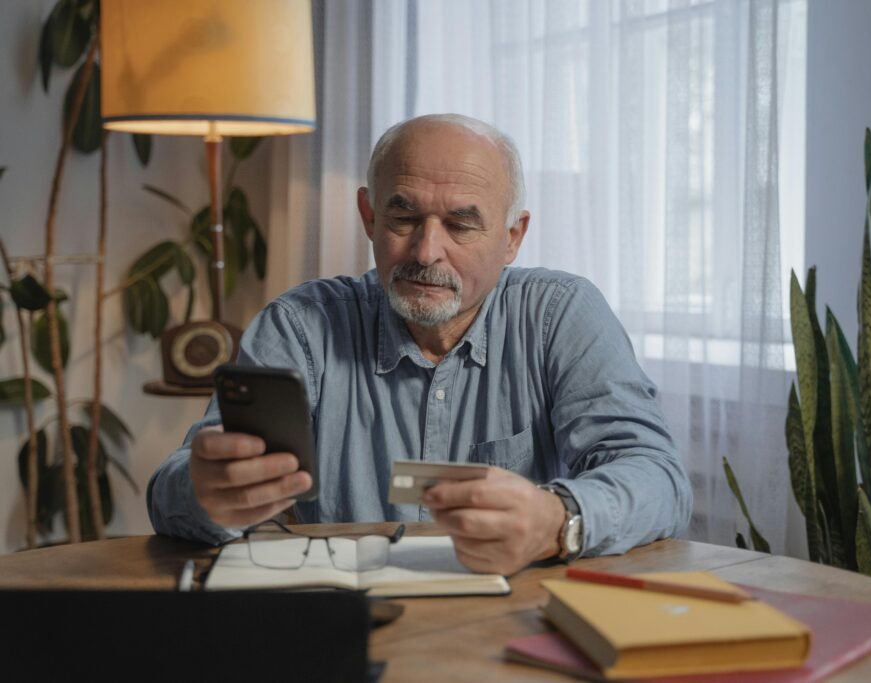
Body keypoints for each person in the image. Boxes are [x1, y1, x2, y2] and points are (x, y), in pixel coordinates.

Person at [148, 114, 692, 575]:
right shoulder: (299, 327)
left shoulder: (559, 315)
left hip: (515, 624)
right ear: (369, 216)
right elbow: (172, 488)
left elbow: (658, 478)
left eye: (461, 225)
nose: (426, 251)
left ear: (512, 238)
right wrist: (207, 491)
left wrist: (558, 519)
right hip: (347, 623)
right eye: (404, 217)